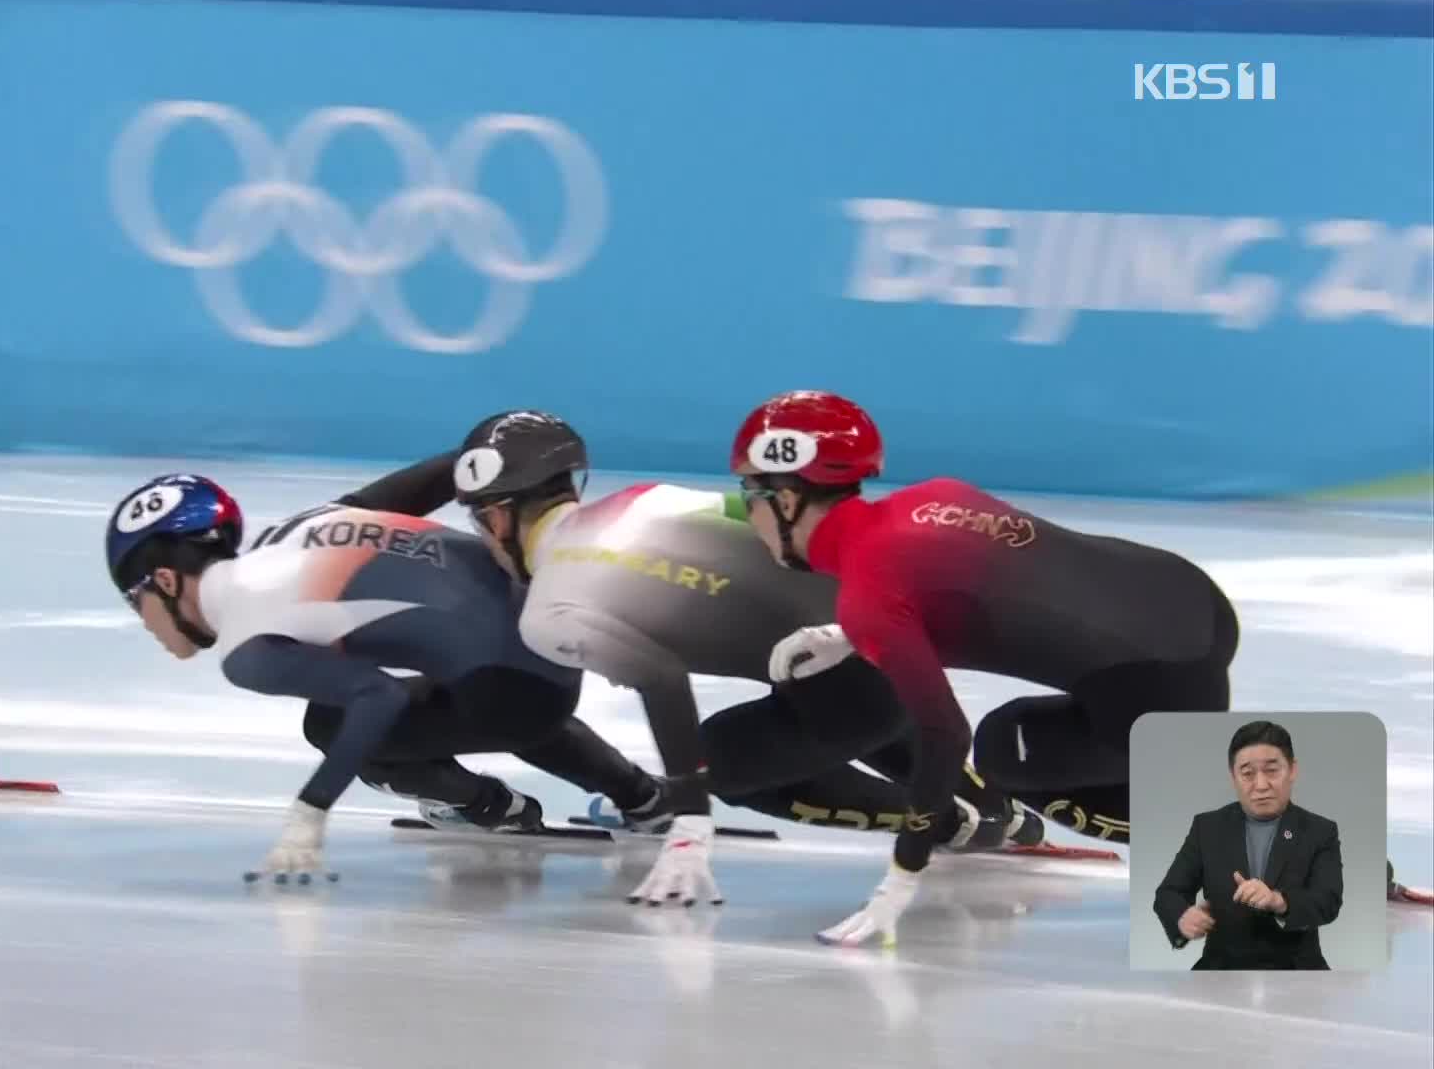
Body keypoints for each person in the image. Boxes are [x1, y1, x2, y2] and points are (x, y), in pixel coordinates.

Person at [440, 410, 1045, 908]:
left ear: (495, 516)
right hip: (886, 638)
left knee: (723, 756)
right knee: (810, 683)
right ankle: (985, 801)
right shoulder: (649, 498)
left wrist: (688, 813)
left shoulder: (546, 611)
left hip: (856, 698)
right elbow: (797, 528)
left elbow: (662, 679)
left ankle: (942, 819)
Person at [726, 390, 1239, 946]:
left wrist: (903, 873)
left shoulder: (870, 595)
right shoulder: (933, 496)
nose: (747, 513)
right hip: (1192, 598)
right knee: (1027, 730)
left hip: (1163, 677)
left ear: (785, 498)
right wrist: (852, 637)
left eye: (748, 492)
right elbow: (991, 586)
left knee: (1005, 752)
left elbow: (944, 735)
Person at [103, 458, 664, 885]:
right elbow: (453, 468)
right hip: (554, 617)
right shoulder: (310, 521)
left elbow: (379, 698)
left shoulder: (245, 649)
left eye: (135, 602)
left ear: (167, 583)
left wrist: (311, 810)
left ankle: (486, 807)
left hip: (520, 691)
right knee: (463, 675)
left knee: (330, 726)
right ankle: (643, 799)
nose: (146, 623)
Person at [1152, 720, 1342, 969]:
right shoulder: (1207, 827)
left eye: (1272, 770)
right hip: (1221, 969)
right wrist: (1181, 918)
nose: (1261, 785)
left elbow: (1327, 901)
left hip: (1298, 969)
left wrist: (1278, 901)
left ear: (1292, 770)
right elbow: (1169, 893)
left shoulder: (1320, 831)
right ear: (1233, 776)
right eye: (1248, 773)